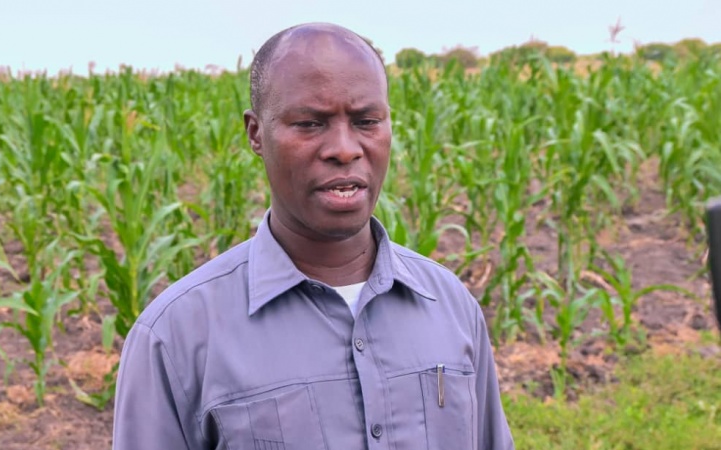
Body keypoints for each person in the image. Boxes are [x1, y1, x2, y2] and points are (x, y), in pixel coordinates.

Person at [112, 22, 514, 450]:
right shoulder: (177, 336)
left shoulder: (450, 305)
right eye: (309, 123)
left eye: (366, 121)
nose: (344, 148)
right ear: (256, 134)